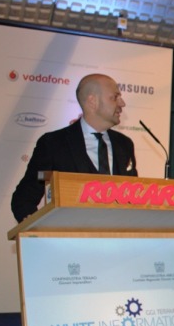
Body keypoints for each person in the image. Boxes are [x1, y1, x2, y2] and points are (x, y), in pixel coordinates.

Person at [10, 73, 138, 222]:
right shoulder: (53, 143)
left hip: (118, 234)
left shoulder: (124, 144)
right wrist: (40, 229)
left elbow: (133, 195)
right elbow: (24, 199)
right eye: (115, 97)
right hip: (69, 235)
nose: (122, 103)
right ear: (92, 101)